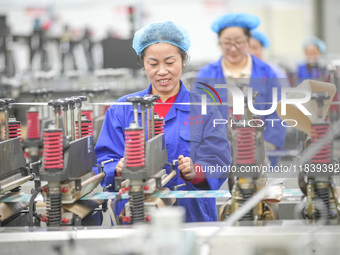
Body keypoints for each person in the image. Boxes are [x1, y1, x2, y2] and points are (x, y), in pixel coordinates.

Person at [95, 21, 231, 222]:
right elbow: (104, 159)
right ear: (143, 64)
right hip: (135, 215)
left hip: (191, 216)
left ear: (183, 60)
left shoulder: (205, 109)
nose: (162, 71)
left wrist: (197, 171)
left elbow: (218, 160)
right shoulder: (121, 109)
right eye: (153, 64)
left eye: (169, 62)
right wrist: (116, 168)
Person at [195, 13, 286, 165]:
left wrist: (266, 149)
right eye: (226, 43)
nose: (233, 48)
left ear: (248, 41)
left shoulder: (266, 72)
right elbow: (198, 116)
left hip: (260, 153)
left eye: (239, 42)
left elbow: (278, 113)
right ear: (219, 43)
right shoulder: (206, 74)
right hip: (217, 156)